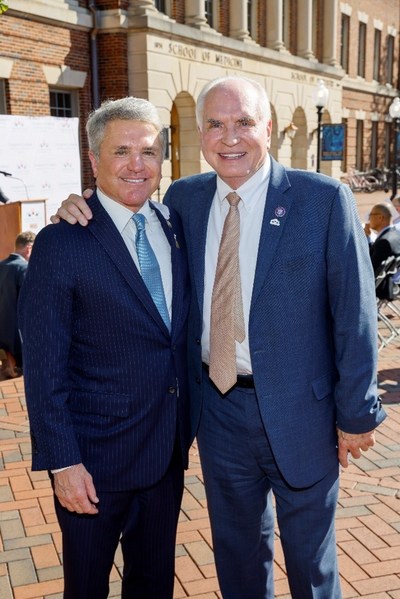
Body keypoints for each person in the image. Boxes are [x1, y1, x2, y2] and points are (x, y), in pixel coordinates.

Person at [52, 76, 386, 599]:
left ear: (268, 129)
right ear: (201, 135)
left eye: (243, 123)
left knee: (310, 560)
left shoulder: (322, 200)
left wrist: (358, 413)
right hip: (219, 409)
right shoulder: (185, 199)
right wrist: (84, 204)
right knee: (237, 553)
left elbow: (355, 316)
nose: (230, 137)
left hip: (305, 413)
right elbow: (127, 205)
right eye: (215, 124)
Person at [18, 97, 190, 599]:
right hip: (94, 464)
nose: (137, 164)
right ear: (94, 160)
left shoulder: (174, 225)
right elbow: (44, 367)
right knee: (87, 587)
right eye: (121, 151)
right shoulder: (62, 241)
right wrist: (62, 462)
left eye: (149, 151)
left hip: (165, 453)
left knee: (153, 583)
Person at [0, 231, 35, 379]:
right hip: (18, 333)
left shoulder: (2, 265)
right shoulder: (24, 268)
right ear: (29, 248)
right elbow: (29, 301)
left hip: (3, 330)